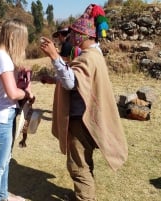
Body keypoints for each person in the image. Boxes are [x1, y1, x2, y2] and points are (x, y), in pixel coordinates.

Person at [40, 13, 128, 201]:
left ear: (82, 35)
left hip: (80, 121)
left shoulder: (88, 57)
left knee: (78, 166)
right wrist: (54, 79)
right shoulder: (95, 54)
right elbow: (79, 80)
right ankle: (85, 195)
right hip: (86, 120)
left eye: (73, 35)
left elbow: (72, 83)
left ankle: (85, 198)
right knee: (85, 162)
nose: (71, 39)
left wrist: (54, 56)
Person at [0, 19, 33, 201]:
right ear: (13, 36)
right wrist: (26, 93)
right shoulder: (2, 58)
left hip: (4, 117)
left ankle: (4, 196)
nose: (25, 44)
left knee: (4, 162)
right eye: (23, 39)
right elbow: (13, 93)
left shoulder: (2, 57)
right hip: (0, 120)